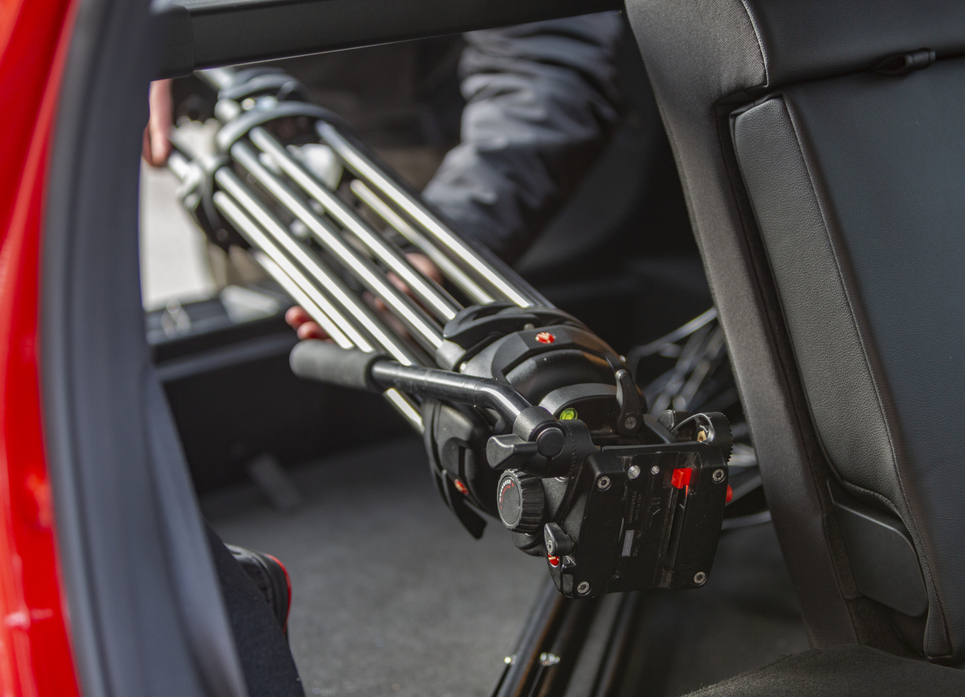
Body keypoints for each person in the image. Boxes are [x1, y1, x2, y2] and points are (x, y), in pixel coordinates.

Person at [143, 12, 623, 694]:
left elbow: (548, 57)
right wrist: (141, 36)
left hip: (414, 170)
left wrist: (447, 239)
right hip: (252, 169)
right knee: (287, 337)